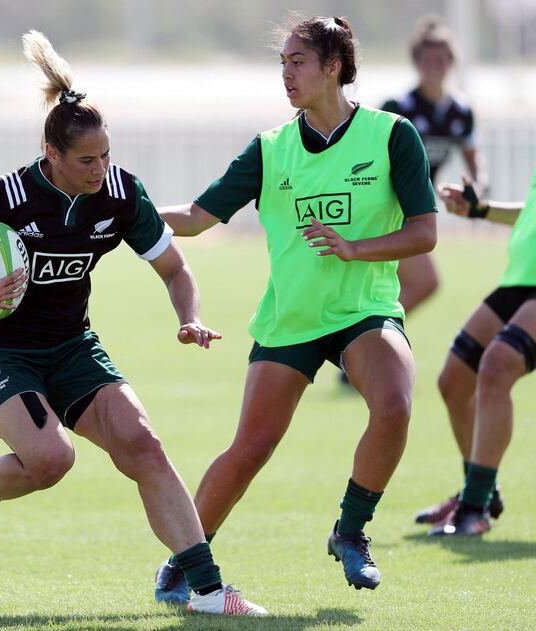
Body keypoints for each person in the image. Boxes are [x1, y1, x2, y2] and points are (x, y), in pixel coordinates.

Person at [0, 30, 266, 616]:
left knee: (143, 444)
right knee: (52, 461)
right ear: (52, 154)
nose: (101, 168)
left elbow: (176, 269)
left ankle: (206, 589)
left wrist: (191, 317)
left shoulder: (122, 194)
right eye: (87, 160)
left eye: (106, 155)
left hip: (72, 345)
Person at [152, 15, 437, 601]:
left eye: (297, 61)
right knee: (250, 450)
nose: (286, 74)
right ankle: (183, 562)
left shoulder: (391, 135)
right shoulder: (270, 149)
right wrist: (126, 207)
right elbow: (198, 219)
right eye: (282, 62)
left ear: (333, 68)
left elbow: (424, 232)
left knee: (395, 404)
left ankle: (351, 531)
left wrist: (357, 249)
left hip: (365, 309)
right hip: (293, 319)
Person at [420, 177, 536, 536]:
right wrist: (481, 210)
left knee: (496, 366)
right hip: (521, 280)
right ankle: (483, 490)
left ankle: (473, 507)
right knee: (455, 379)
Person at [381, 16, 487, 315]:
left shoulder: (461, 111)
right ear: (417, 62)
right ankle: (366, 347)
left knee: (410, 285)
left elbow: (475, 158)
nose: (435, 65)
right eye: (428, 59)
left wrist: (477, 189)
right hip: (384, 208)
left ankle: (363, 350)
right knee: (422, 282)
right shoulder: (398, 106)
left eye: (442, 58)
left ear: (452, 62)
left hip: (414, 212)